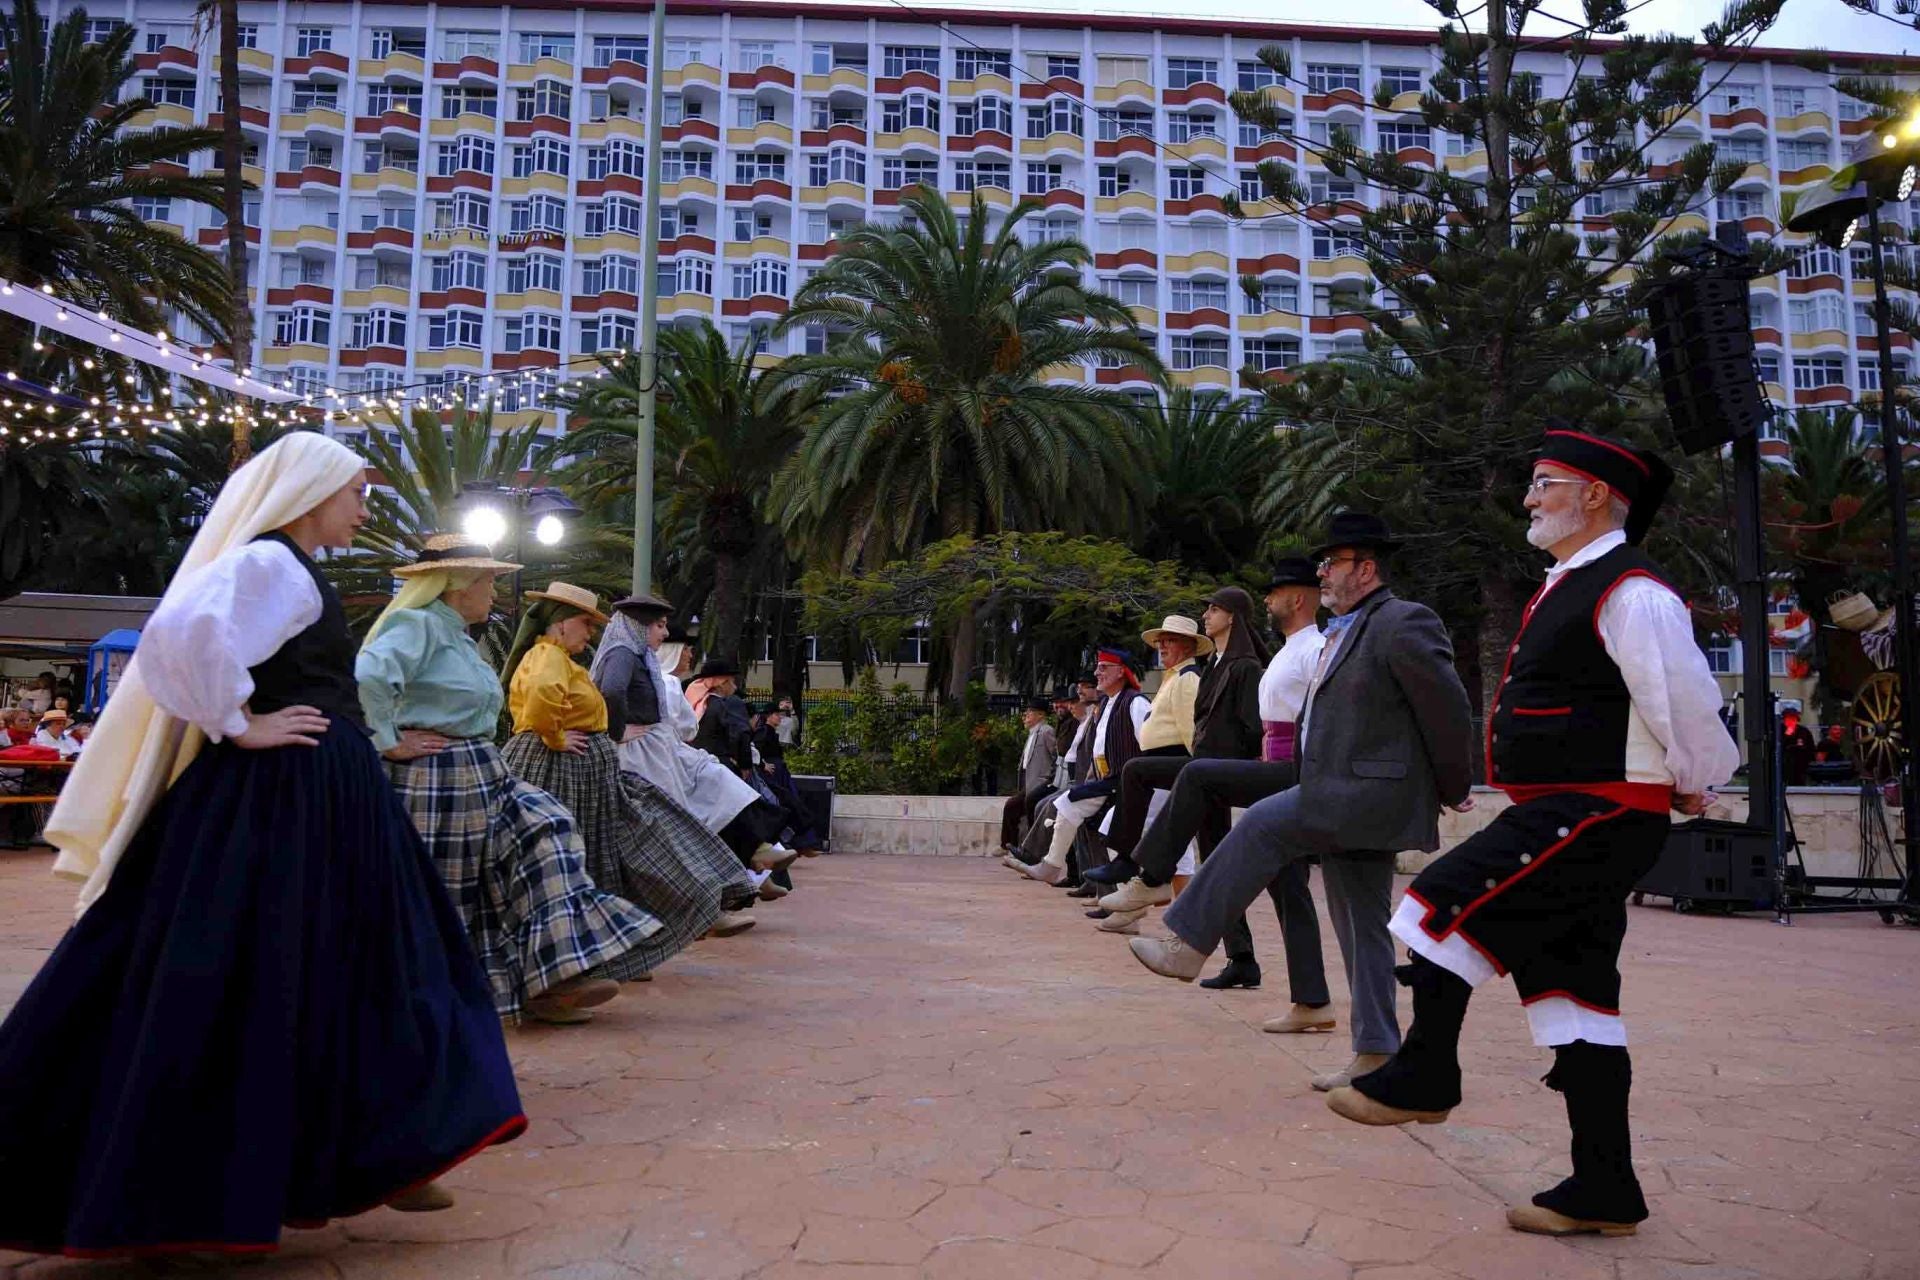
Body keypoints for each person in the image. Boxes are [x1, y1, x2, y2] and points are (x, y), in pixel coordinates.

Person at [0, 433, 524, 1256]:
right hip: (287, 800)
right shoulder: (274, 565)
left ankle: (385, 1150)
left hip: (317, 798)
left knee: (344, 968)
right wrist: (238, 724)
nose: (363, 507)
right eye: (355, 493)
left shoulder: (290, 568)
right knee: (285, 968)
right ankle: (251, 1170)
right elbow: (182, 629)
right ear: (312, 493)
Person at [1324, 432, 1738, 1240]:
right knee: (1576, 1000)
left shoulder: (1633, 591)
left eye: (1544, 484)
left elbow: (1685, 700)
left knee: (1434, 906)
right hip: (1578, 811)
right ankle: (1604, 1186)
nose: (1528, 498)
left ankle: (1425, 1073)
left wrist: (1695, 775)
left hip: (1599, 810)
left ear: (1593, 496)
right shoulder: (1573, 583)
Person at [1129, 512, 1475, 1096]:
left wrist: (1454, 785)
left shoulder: (1403, 621)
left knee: (1264, 825)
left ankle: (1188, 943)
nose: (1323, 573)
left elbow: (1447, 710)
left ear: (1365, 568)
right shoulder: (1342, 631)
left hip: (1367, 792)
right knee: (1362, 923)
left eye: (1332, 563)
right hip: (1348, 794)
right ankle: (1375, 1053)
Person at [356, 537, 666, 1024]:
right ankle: (425, 1004)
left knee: (548, 835)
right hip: (440, 778)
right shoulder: (417, 625)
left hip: (480, 773)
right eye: (487, 581)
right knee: (452, 889)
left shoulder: (454, 633)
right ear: (458, 586)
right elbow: (370, 673)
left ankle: (552, 979)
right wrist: (387, 739)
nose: (493, 592)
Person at [1103, 561, 1333, 1020]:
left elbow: (1317, 719)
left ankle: (1150, 880)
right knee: (1289, 886)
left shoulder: (1316, 649)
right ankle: (1311, 1000)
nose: (1266, 600)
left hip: (1294, 770)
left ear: (1300, 597)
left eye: (1275, 592)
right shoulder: (1286, 651)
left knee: (1197, 775)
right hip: (1274, 770)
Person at [500, 583, 760, 957]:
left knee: (628, 840)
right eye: (584, 623)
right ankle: (699, 906)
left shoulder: (566, 658)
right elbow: (550, 700)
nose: (591, 633)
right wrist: (560, 736)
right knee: (627, 838)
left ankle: (697, 906)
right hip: (563, 766)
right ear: (559, 624)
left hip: (586, 764)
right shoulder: (551, 656)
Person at [593, 600, 803, 879]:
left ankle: (755, 853)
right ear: (638, 626)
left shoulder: (638, 657)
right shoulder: (623, 654)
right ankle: (740, 872)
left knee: (711, 787)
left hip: (657, 749)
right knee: (680, 816)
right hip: (639, 755)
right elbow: (612, 691)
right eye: (659, 625)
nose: (665, 633)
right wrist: (616, 733)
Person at [1080, 615, 1209, 890]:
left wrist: (1195, 771)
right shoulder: (1172, 677)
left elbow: (1190, 729)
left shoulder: (1187, 679)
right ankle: (1134, 895)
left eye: (1170, 641)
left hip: (1169, 764)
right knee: (1158, 835)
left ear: (1188, 646)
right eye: (1160, 642)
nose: (1162, 647)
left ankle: (1135, 884)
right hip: (1157, 766)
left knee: (1157, 832)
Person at [1018, 649, 1152, 885]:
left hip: (1125, 780)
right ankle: (1104, 895)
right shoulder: (1108, 704)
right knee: (1076, 811)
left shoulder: (1135, 702)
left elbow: (1148, 745)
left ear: (1121, 672)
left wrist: (1137, 785)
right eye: (1097, 667)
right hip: (1107, 779)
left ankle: (1052, 866)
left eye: (1104, 667)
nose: (1097, 672)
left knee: (1073, 805)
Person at [1000, 697, 1060, 854]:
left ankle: (1011, 846)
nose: (1025, 716)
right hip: (1028, 780)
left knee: (1012, 806)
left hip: (1039, 782)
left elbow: (1056, 756)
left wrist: (1049, 778)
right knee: (1014, 809)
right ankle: (1011, 846)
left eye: (1030, 712)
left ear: (1040, 715)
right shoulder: (1032, 734)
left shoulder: (1046, 731)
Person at [1780, 707, 1816, 786]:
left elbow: (1811, 749)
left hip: (1801, 767)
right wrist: (1787, 734)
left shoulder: (1804, 731)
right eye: (1789, 718)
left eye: (1793, 718)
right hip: (1783, 767)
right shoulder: (1779, 731)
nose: (1791, 721)